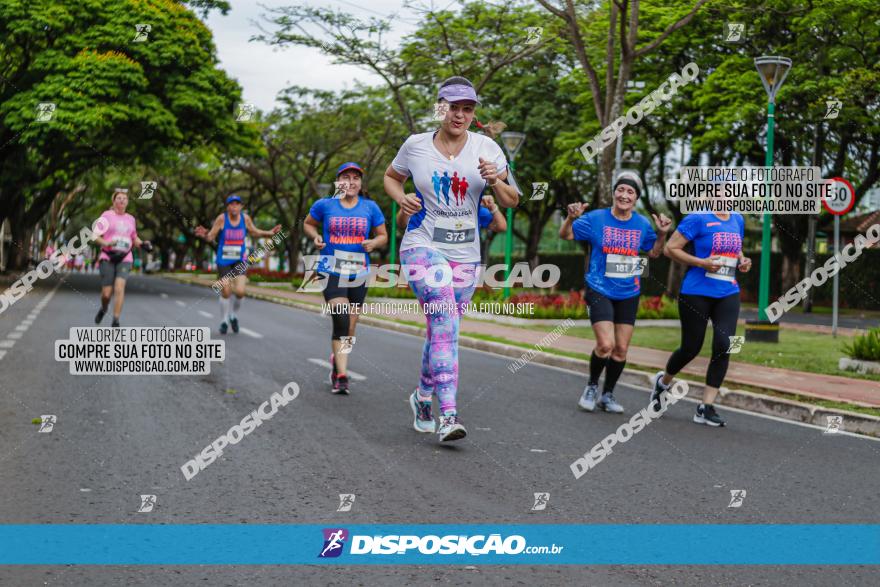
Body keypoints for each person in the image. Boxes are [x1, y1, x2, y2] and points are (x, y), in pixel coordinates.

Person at [384, 75, 520, 442]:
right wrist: (401, 199)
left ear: (474, 113)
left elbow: (512, 201)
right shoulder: (415, 146)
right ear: (440, 107)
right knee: (444, 321)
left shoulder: (488, 148)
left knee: (441, 330)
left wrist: (495, 181)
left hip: (466, 256)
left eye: (467, 109)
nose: (459, 114)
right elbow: (390, 177)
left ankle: (422, 396)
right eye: (452, 107)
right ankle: (448, 416)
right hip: (422, 246)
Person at [559, 171, 672, 413]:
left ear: (636, 198)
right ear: (614, 193)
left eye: (630, 192)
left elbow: (654, 252)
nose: (624, 195)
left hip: (629, 292)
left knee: (621, 349)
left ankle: (607, 395)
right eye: (621, 189)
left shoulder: (641, 224)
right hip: (599, 287)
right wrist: (570, 218)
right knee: (605, 344)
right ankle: (591, 386)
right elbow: (566, 234)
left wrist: (662, 234)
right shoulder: (596, 218)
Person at [649, 209, 751, 427]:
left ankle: (706, 407)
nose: (727, 196)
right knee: (690, 348)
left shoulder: (737, 219)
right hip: (696, 291)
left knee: (724, 345)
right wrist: (701, 262)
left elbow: (736, 248)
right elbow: (670, 249)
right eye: (722, 190)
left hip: (728, 292)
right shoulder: (697, 219)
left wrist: (742, 259)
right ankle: (663, 383)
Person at [303, 162, 388, 394]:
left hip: (359, 272)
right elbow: (308, 224)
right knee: (340, 317)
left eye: (355, 178)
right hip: (331, 269)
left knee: (349, 328)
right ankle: (342, 375)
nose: (350, 182)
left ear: (361, 184)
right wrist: (315, 236)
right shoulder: (324, 205)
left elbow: (383, 236)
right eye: (346, 177)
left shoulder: (370, 207)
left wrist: (374, 242)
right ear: (337, 182)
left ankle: (337, 360)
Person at [195, 195, 281, 334]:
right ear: (227, 207)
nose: (234, 207)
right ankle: (224, 321)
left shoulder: (245, 219)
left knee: (240, 292)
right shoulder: (222, 219)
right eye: (231, 204)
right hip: (223, 260)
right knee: (226, 291)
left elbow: (254, 232)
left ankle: (233, 315)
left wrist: (269, 233)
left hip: (239, 260)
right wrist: (205, 234)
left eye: (237, 204)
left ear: (241, 206)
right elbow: (211, 236)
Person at [93, 188, 152, 327]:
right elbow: (94, 235)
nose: (122, 200)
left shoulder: (131, 219)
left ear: (127, 202)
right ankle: (104, 308)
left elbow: (134, 237)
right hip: (107, 256)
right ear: (113, 201)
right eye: (119, 198)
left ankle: (116, 319)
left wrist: (143, 244)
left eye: (124, 199)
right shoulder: (106, 215)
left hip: (125, 257)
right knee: (106, 294)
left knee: (120, 288)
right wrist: (106, 242)